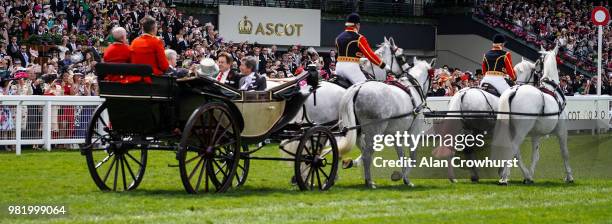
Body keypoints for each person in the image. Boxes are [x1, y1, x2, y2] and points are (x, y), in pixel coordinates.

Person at [334, 13, 390, 84]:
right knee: (366, 89)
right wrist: (383, 65)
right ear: (357, 25)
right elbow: (370, 55)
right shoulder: (359, 38)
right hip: (351, 68)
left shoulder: (338, 38)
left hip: (338, 68)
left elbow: (346, 55)